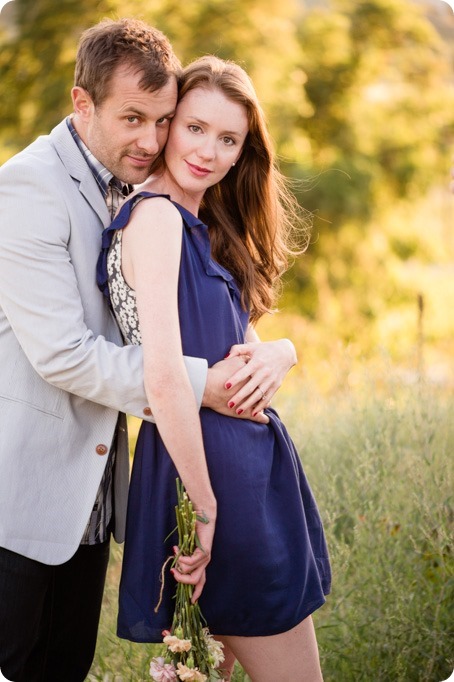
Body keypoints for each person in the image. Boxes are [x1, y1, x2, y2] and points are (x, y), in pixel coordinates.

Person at [0, 19, 297, 682]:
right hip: (21, 494)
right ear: (82, 103)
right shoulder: (27, 189)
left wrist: (280, 350)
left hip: (97, 492)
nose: (151, 139)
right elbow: (65, 355)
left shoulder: (139, 188)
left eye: (163, 119)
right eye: (134, 118)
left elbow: (211, 320)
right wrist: (198, 384)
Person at [98, 55, 331, 682]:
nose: (207, 150)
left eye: (228, 139)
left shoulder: (198, 226)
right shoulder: (156, 220)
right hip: (212, 476)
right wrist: (203, 507)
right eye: (195, 128)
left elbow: (248, 349)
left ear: (242, 153)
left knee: (202, 671)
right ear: (169, 126)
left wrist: (285, 351)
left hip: (237, 471)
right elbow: (165, 373)